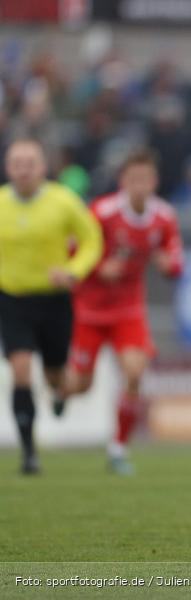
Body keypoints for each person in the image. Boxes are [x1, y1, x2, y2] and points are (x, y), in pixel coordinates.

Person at [61, 149, 184, 475]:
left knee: (134, 372)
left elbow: (175, 257)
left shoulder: (164, 217)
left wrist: (169, 265)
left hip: (128, 309)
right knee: (80, 384)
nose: (140, 186)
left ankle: (117, 449)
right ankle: (61, 393)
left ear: (154, 182)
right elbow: (73, 251)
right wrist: (101, 267)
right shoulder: (102, 212)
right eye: (133, 180)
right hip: (90, 309)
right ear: (123, 182)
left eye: (145, 179)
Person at [0, 139, 102, 474]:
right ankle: (29, 452)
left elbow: (92, 240)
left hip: (54, 301)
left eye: (30, 162)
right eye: (17, 163)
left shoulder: (63, 201)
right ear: (8, 168)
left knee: (56, 375)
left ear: (43, 167)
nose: (24, 169)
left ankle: (59, 393)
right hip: (12, 299)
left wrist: (73, 271)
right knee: (20, 368)